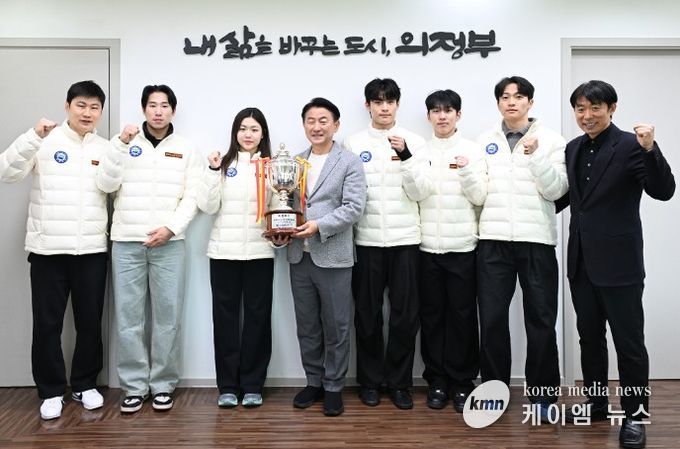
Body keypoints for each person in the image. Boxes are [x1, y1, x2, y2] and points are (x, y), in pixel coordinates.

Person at [559, 80, 674, 449]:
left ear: (612, 108)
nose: (587, 115)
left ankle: (635, 415)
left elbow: (663, 190)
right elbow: (567, 199)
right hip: (581, 263)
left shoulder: (630, 145)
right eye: (580, 108)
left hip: (620, 264)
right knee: (590, 340)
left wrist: (650, 148)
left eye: (595, 108)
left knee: (629, 344)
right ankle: (596, 404)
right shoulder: (573, 148)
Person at [0, 80, 111, 420]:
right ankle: (50, 391)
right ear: (67, 107)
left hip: (91, 250)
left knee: (90, 323)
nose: (87, 113)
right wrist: (32, 136)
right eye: (81, 105)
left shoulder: (106, 148)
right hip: (47, 250)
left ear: (100, 112)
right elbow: (6, 172)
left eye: (94, 107)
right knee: (47, 325)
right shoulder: (43, 140)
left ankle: (85, 384)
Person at [97, 84, 201, 413]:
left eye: (165, 105)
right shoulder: (124, 143)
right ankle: (134, 387)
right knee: (129, 319)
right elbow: (105, 184)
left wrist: (171, 229)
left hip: (169, 244)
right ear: (143, 109)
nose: (158, 111)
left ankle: (163, 384)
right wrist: (120, 144)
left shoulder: (185, 148)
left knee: (167, 318)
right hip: (127, 242)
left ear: (173, 110)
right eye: (152, 105)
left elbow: (193, 196)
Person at [475, 76, 568, 419]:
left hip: (536, 241)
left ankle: (543, 397)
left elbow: (557, 191)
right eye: (504, 97)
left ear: (530, 101)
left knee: (541, 320)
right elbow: (478, 194)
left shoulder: (552, 141)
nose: (511, 102)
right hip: (493, 241)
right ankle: (493, 391)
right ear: (498, 102)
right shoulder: (484, 141)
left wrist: (537, 155)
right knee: (492, 320)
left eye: (518, 96)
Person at [344, 78, 427, 409]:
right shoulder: (353, 143)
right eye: (378, 102)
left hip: (406, 241)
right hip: (366, 241)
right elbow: (347, 193)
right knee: (367, 316)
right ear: (368, 106)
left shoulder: (415, 141)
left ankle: (399, 383)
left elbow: (420, 192)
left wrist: (405, 156)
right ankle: (369, 382)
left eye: (390, 101)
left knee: (405, 317)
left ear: (397, 104)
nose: (384, 107)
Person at [286, 97, 366, 416]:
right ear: (303, 124)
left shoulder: (349, 161)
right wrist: (280, 229)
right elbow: (284, 204)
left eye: (323, 121)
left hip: (333, 256)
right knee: (307, 326)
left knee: (337, 326)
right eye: (311, 121)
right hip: (299, 257)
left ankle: (334, 386)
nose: (316, 127)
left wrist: (318, 225)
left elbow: (353, 208)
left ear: (336, 125)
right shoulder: (293, 161)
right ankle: (314, 382)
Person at [197, 107, 275, 408]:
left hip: (260, 253)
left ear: (263, 134)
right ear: (235, 132)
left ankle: (253, 385)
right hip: (223, 253)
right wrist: (212, 170)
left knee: (258, 319)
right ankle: (228, 386)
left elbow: (279, 208)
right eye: (243, 128)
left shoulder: (273, 166)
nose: (248, 134)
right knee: (225, 320)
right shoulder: (223, 164)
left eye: (254, 129)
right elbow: (208, 206)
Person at [416, 90, 486, 411]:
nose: (442, 116)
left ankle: (462, 381)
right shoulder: (419, 150)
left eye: (448, 110)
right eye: (436, 111)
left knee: (462, 316)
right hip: (426, 247)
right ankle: (437, 381)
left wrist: (467, 170)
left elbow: (480, 197)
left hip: (463, 247)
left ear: (459, 115)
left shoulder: (473, 149)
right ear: (428, 116)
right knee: (431, 317)